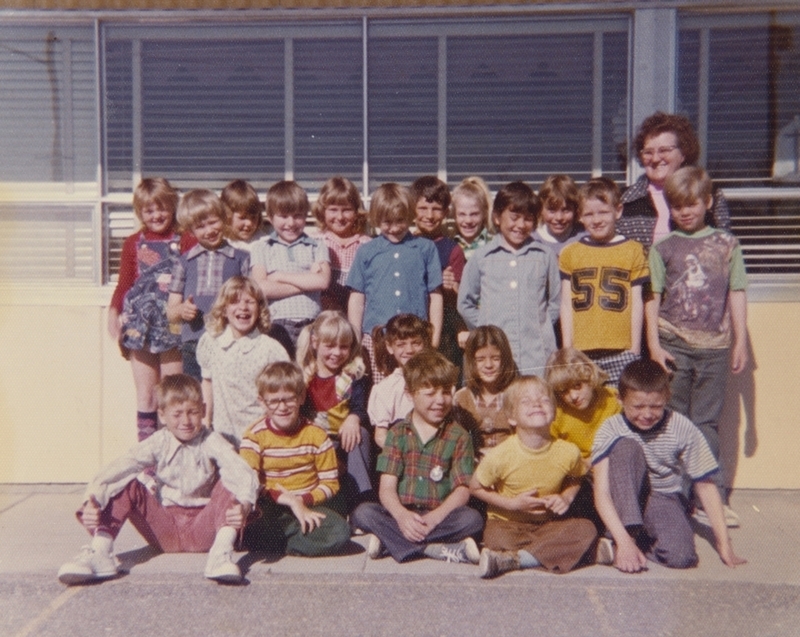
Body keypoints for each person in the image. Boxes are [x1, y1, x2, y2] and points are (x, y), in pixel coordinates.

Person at [57, 374, 259, 585]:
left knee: (230, 479)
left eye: (192, 412)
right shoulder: (158, 442)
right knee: (128, 482)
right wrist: (94, 501)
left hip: (203, 529)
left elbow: (241, 472)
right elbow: (121, 466)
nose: (186, 421)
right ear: (162, 415)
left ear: (203, 410)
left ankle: (221, 555)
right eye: (177, 414)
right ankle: (100, 551)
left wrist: (244, 505)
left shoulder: (211, 440)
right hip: (165, 530)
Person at [645, 166, 749, 527]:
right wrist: (654, 345)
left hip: (715, 348)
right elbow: (652, 297)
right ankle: (674, 496)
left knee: (706, 423)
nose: (685, 212)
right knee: (673, 421)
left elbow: (736, 292)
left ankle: (710, 497)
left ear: (707, 202)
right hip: (674, 343)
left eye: (692, 204)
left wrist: (740, 342)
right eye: (677, 206)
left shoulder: (726, 244)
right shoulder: (663, 247)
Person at [591, 359, 747, 573]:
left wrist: (724, 543)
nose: (647, 414)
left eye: (656, 406)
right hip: (625, 497)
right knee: (627, 447)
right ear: (620, 399)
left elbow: (705, 485)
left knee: (682, 557)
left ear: (667, 398)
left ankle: (632, 543)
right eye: (638, 406)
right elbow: (601, 492)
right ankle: (623, 539)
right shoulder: (611, 428)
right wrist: (624, 539)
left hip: (662, 497)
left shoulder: (681, 426)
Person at [350, 351, 484, 564]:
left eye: (446, 392)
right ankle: (434, 549)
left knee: (472, 520)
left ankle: (390, 541)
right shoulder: (397, 433)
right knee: (363, 513)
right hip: (402, 512)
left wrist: (434, 519)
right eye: (430, 394)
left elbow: (462, 489)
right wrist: (402, 517)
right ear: (410, 394)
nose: (440, 401)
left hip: (440, 514)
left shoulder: (459, 435)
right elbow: (386, 488)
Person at [470, 376, 600, 578]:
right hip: (507, 525)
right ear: (512, 418)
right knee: (496, 539)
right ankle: (571, 554)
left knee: (585, 529)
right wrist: (511, 504)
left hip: (548, 525)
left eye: (544, 400)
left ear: (555, 412)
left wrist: (566, 497)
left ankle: (515, 560)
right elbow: (475, 487)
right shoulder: (501, 455)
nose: (536, 404)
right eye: (526, 401)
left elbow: (576, 477)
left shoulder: (567, 452)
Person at [109, 177, 195, 441]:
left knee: (173, 393)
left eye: (162, 208)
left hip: (173, 324)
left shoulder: (186, 241)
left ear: (172, 206)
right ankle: (147, 456)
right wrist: (113, 313)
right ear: (140, 212)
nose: (156, 215)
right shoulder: (132, 243)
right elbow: (125, 283)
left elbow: (193, 282)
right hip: (140, 324)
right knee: (146, 393)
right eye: (149, 210)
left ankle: (175, 450)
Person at [239, 361, 351, 557]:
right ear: (262, 402)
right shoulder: (254, 435)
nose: (282, 407)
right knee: (251, 523)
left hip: (309, 503)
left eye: (289, 399)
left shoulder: (317, 435)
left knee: (340, 532)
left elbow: (330, 484)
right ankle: (290, 538)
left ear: (301, 397)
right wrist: (288, 500)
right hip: (274, 506)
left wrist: (301, 500)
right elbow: (250, 483)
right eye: (274, 401)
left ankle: (283, 544)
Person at [458, 181, 560, 376]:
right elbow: (465, 303)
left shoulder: (545, 256)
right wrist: (484, 327)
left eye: (528, 219)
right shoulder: (482, 257)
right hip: (494, 358)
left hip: (536, 355)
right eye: (514, 217)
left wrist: (541, 326)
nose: (521, 225)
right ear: (497, 217)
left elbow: (556, 301)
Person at [346, 182, 443, 381]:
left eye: (400, 221)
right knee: (377, 392)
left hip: (414, 339)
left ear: (410, 216)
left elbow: (436, 296)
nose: (394, 228)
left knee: (416, 387)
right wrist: (355, 340)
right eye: (386, 222)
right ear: (376, 219)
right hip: (377, 338)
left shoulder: (425, 249)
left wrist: (434, 340)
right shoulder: (367, 251)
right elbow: (357, 298)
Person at [559, 177, 649, 387]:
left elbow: (637, 303)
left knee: (618, 409)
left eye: (603, 212)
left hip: (620, 350)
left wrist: (634, 349)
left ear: (617, 211)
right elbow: (566, 304)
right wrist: (568, 347)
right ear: (580, 216)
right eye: (589, 214)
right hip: (582, 351)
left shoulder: (633, 250)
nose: (596, 219)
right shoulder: (571, 253)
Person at [167, 189, 250, 382]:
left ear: (223, 217)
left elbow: (252, 301)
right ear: (191, 230)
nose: (209, 230)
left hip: (230, 340)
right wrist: (182, 310)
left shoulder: (241, 259)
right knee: (197, 395)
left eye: (213, 222)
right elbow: (171, 311)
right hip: (194, 341)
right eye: (200, 226)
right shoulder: (183, 262)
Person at [196, 276, 289, 446]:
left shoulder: (270, 349)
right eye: (235, 302)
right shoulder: (211, 342)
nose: (243, 307)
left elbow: (284, 394)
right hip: (224, 437)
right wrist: (206, 422)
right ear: (224, 309)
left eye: (249, 302)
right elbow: (207, 384)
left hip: (262, 437)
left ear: (259, 308)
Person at [619, 111, 731, 252]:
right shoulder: (624, 201)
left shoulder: (708, 195)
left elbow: (726, 250)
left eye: (664, 150)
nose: (655, 158)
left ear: (683, 154)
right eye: (648, 152)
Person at [296, 310, 373, 512]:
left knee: (361, 435)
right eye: (329, 346)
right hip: (316, 437)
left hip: (344, 436)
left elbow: (359, 406)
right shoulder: (306, 375)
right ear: (315, 343)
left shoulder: (353, 374)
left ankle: (361, 499)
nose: (336, 353)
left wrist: (354, 418)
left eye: (343, 347)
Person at [250, 180, 331, 349]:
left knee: (308, 373)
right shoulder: (261, 247)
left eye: (297, 215)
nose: (291, 223)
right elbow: (261, 288)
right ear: (271, 217)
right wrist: (308, 281)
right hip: (276, 324)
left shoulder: (317, 245)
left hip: (312, 324)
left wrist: (280, 276)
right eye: (283, 216)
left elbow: (323, 282)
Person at [411, 176, 466, 370]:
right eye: (423, 208)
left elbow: (462, 298)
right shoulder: (405, 244)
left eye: (436, 209)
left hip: (442, 332)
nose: (429, 215)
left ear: (445, 212)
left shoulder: (452, 250)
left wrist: (451, 288)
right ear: (412, 209)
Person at [545, 347, 621, 463]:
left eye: (577, 386)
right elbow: (551, 452)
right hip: (576, 469)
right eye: (564, 391)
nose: (574, 396)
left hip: (611, 462)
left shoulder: (612, 399)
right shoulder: (557, 414)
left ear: (589, 375)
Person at [367, 314, 433, 448]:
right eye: (401, 344)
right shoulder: (385, 388)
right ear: (390, 347)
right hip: (399, 454)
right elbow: (380, 435)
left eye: (415, 343)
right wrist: (400, 452)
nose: (409, 350)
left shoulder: (435, 380)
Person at [453, 325, 519, 459]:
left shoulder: (516, 395)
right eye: (480, 359)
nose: (488, 365)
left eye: (496, 358)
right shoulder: (462, 398)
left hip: (509, 464)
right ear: (471, 361)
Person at [311, 176, 371, 314]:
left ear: (356, 211)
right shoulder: (314, 242)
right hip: (323, 315)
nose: (340, 217)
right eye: (333, 210)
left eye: (346, 210)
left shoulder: (366, 244)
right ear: (322, 211)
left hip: (358, 313)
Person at [533, 174, 585, 255]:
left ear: (575, 210)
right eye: (552, 210)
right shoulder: (532, 240)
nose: (559, 217)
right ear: (541, 209)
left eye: (566, 210)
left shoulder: (584, 236)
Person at [451, 175, 493, 262]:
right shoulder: (449, 245)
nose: (468, 221)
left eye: (474, 214)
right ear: (454, 215)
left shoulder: (494, 244)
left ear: (485, 213)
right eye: (462, 214)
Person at [220, 179, 269, 252]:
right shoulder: (222, 243)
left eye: (253, 217)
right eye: (242, 217)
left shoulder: (264, 242)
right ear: (227, 216)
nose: (249, 223)